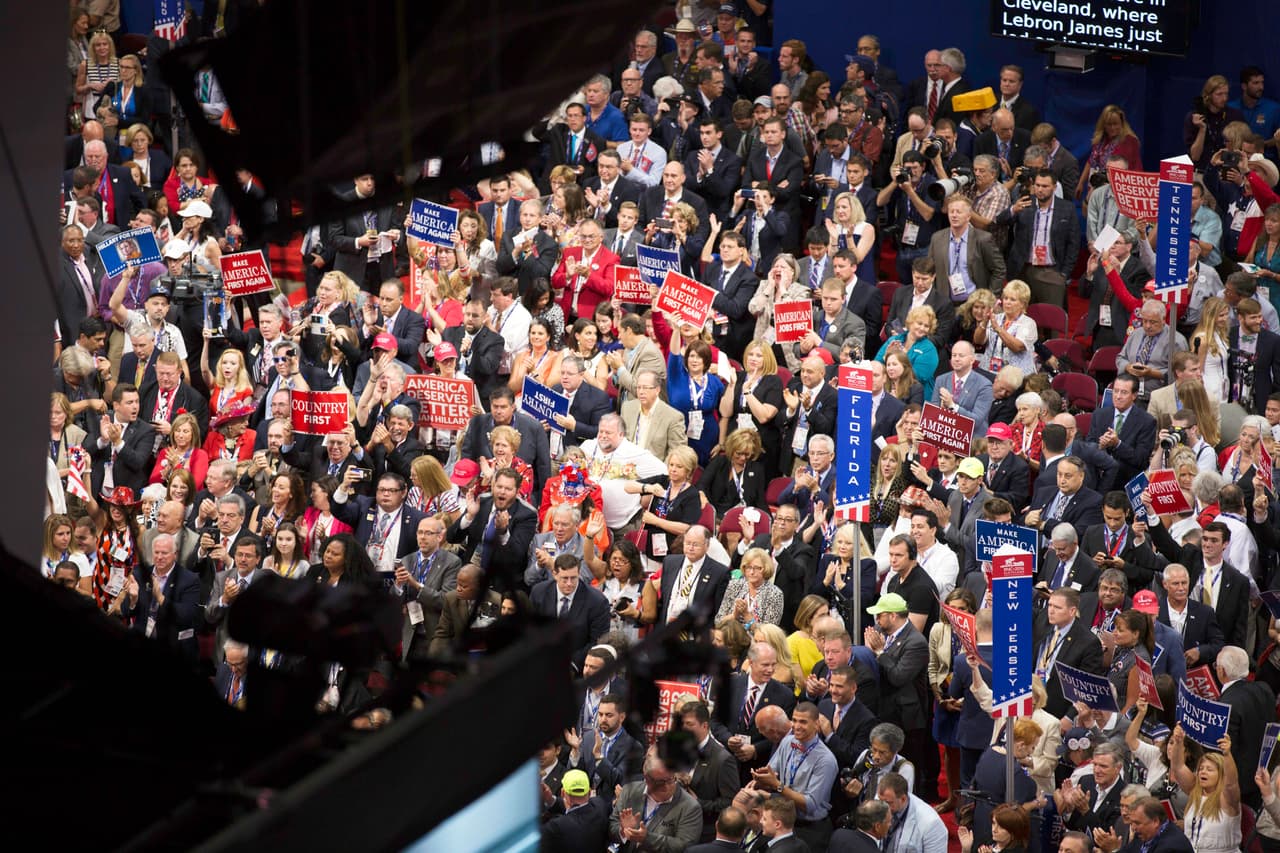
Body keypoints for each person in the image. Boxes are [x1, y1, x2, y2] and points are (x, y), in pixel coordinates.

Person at [120, 531, 201, 663]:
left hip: (173, 648)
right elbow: (125, 612)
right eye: (156, 552)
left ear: (175, 554)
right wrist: (133, 598)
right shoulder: (140, 573)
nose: (159, 557)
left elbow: (186, 616)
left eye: (164, 553)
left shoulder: (189, 579)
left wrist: (160, 597)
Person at [531, 554, 611, 670]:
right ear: (554, 574)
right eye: (565, 578)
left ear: (579, 574)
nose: (569, 583)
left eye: (573, 578)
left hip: (577, 667)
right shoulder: (539, 592)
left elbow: (598, 641)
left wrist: (573, 664)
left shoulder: (597, 602)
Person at [609, 755, 703, 851]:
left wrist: (646, 838)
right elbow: (611, 828)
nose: (667, 787)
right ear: (646, 778)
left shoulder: (690, 807)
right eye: (660, 782)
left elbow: (685, 846)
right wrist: (623, 831)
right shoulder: (629, 791)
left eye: (670, 780)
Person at [1079, 105, 1144, 199]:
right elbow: (1090, 161)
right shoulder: (1099, 140)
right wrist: (1081, 183)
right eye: (1109, 124)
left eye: (1116, 124)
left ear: (1122, 123)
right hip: (1094, 188)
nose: (1113, 128)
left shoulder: (1129, 141)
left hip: (1117, 192)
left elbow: (1134, 169)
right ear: (1104, 125)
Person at [876, 771, 948, 853]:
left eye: (888, 803)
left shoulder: (931, 824)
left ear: (903, 799)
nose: (882, 807)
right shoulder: (882, 799)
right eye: (880, 801)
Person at [541, 768, 610, 853]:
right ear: (589, 792)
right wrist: (551, 800)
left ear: (562, 793)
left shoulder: (554, 828)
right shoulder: (600, 805)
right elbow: (579, 808)